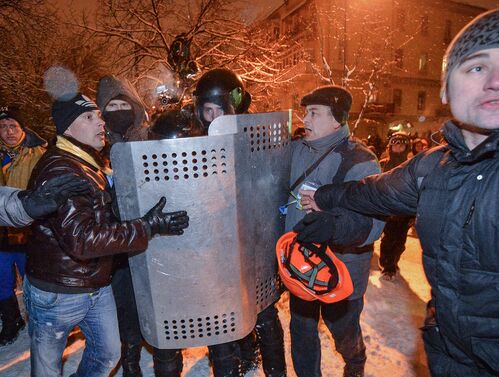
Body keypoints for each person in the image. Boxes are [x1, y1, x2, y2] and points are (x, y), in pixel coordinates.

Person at [296, 8, 499, 377]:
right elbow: (371, 193)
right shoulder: (433, 166)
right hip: (449, 358)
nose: (497, 80)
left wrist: (333, 226)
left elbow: (368, 228)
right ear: (446, 88)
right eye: (476, 67)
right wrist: (326, 197)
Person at [24, 91, 189, 377]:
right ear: (67, 127)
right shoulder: (62, 169)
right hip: (58, 290)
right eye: (89, 117)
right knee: (48, 369)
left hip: (96, 283)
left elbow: (100, 217)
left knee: (108, 353)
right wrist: (146, 227)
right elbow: (83, 240)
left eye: (98, 115)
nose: (100, 122)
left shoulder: (88, 162)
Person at [285, 85, 384, 377]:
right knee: (302, 331)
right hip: (301, 264)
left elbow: (374, 223)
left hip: (342, 269)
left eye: (314, 113)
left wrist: (333, 224)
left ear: (336, 119)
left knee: (342, 331)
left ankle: (355, 359)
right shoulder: (294, 151)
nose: (305, 119)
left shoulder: (360, 160)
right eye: (305, 112)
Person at [194, 68, 286, 377]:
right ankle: (236, 363)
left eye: (220, 109)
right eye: (208, 110)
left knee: (263, 314)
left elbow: (271, 187)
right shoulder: (195, 144)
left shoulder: (257, 136)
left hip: (253, 245)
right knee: (219, 326)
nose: (213, 117)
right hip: (216, 250)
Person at [97, 74, 186, 377]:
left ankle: (168, 361)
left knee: (162, 309)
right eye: (111, 106)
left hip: (154, 239)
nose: (118, 111)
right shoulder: (95, 145)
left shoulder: (150, 139)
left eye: (124, 103)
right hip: (116, 245)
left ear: (134, 106)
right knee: (125, 308)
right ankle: (131, 363)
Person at [0, 106, 46, 346]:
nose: (8, 131)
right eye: (3, 126)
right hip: (1, 235)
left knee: (36, 280)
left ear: (22, 128)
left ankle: (41, 322)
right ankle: (11, 321)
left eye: (13, 126)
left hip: (31, 232)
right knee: (1, 280)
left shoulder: (39, 153)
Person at [377, 132, 414, 281]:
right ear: (390, 146)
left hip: (405, 210)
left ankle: (393, 262)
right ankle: (387, 265)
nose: (398, 147)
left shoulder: (412, 166)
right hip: (387, 209)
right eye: (395, 144)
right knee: (388, 239)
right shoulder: (383, 164)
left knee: (400, 241)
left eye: (402, 144)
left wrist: (414, 213)